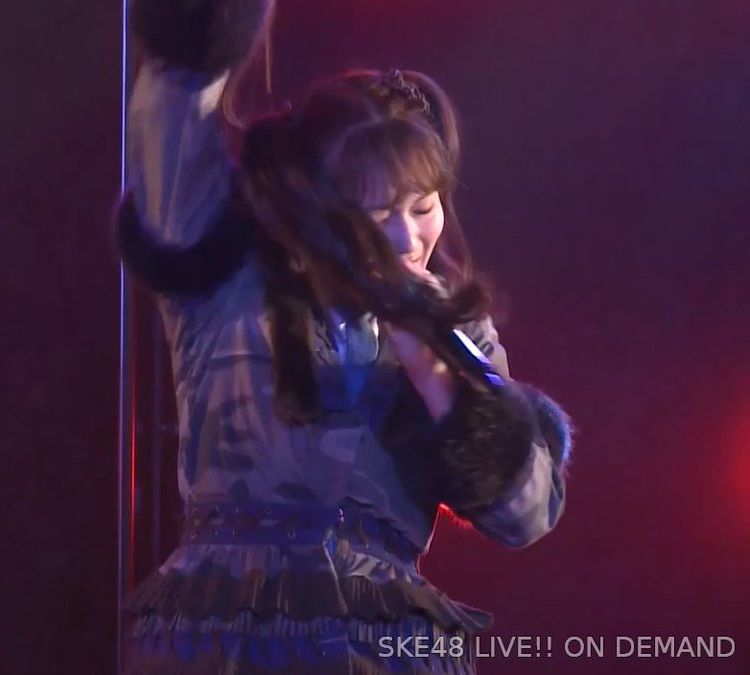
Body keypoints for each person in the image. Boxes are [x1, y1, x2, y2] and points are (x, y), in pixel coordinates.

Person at [114, 1, 574, 673]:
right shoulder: (231, 274)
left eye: (423, 207)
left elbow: (525, 513)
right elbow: (174, 118)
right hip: (226, 628)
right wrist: (207, 25)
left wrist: (435, 371)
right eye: (380, 212)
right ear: (322, 208)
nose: (409, 236)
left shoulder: (452, 323)